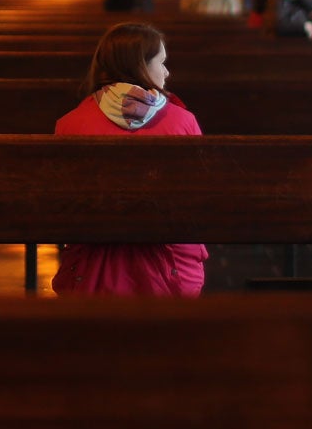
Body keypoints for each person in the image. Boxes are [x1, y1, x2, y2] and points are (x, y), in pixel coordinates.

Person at [50, 23, 206, 297]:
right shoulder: (184, 122)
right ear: (141, 67)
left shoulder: (70, 124)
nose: (167, 72)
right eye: (162, 62)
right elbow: (199, 201)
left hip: (89, 269)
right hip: (172, 269)